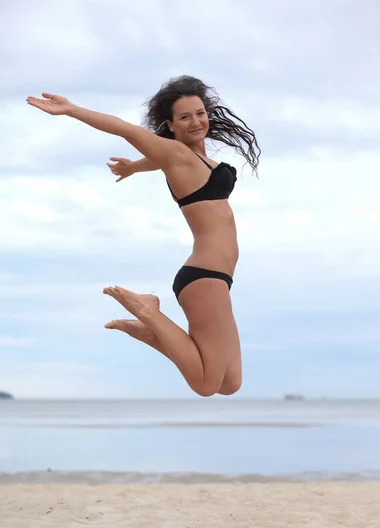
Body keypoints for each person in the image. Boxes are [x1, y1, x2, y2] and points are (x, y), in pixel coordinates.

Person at [26, 75, 260, 396]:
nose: (196, 121)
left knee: (229, 383)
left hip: (219, 278)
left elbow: (159, 159)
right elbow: (125, 128)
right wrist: (71, 109)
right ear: (171, 125)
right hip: (205, 277)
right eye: (184, 117)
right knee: (206, 385)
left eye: (200, 113)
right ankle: (148, 310)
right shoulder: (176, 155)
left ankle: (150, 331)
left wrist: (135, 167)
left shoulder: (194, 159)